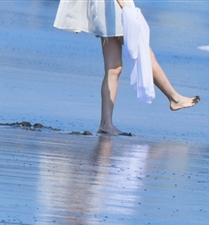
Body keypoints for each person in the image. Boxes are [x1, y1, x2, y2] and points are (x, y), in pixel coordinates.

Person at [54, 0, 199, 135]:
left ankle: (106, 123)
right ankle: (174, 98)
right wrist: (124, 7)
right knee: (143, 51)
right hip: (115, 7)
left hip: (106, 8)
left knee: (113, 68)